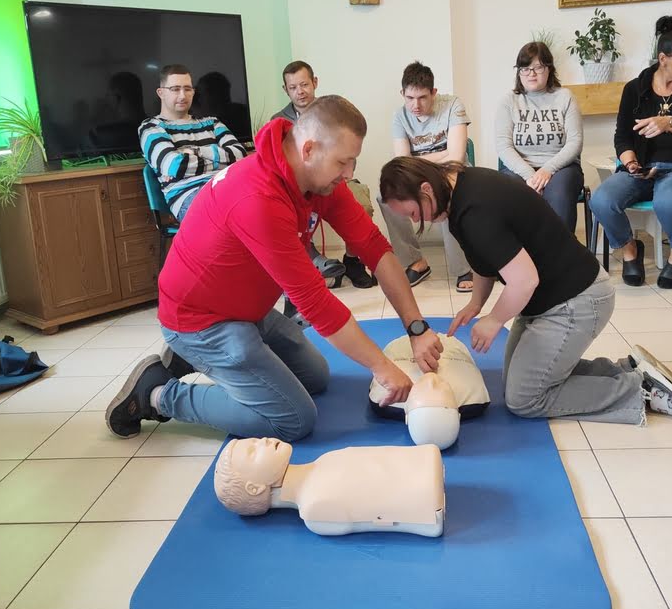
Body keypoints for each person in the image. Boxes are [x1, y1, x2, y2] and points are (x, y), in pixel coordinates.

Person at [106, 96, 444, 442]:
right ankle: (157, 394)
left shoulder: (317, 179)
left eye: (352, 161)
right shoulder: (258, 198)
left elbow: (373, 246)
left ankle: (197, 361)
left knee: (316, 378)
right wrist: (382, 368)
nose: (349, 174)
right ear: (309, 150)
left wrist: (416, 328)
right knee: (293, 419)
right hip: (200, 322)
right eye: (343, 162)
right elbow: (315, 304)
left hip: (247, 311)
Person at [379, 156, 672, 426]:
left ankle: (640, 391)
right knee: (517, 380)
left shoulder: (475, 211)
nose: (418, 222)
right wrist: (476, 304)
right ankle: (625, 370)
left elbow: (524, 280)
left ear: (425, 189)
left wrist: (494, 320)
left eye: (413, 213)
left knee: (524, 398)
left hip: (576, 301)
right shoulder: (458, 189)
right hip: (551, 299)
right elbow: (485, 259)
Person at [590, 17, 672, 290]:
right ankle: (630, 250)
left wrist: (669, 122)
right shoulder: (635, 89)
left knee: (667, 200)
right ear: (663, 58)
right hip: (643, 169)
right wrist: (630, 162)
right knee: (601, 200)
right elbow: (623, 136)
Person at [272, 60, 376, 289]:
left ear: (315, 82)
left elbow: (349, 154)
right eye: (293, 87)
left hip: (336, 180)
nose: (300, 91)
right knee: (290, 217)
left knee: (362, 206)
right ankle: (313, 264)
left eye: (304, 84)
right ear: (285, 90)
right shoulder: (278, 122)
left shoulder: (334, 112)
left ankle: (353, 261)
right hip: (297, 189)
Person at [214, 437, 445, 537]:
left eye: (254, 440)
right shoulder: (314, 508)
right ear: (254, 488)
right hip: (425, 496)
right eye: (253, 451)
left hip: (425, 467)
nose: (263, 441)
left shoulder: (324, 461)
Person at [378, 61, 473, 293]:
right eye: (410, 98)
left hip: (451, 171)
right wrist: (442, 154)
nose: (416, 105)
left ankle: (462, 268)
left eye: (422, 97)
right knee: (385, 197)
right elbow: (402, 163)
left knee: (447, 192)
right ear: (402, 94)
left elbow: (457, 157)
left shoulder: (453, 105)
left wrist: (417, 160)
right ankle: (416, 262)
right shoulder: (400, 116)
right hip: (418, 176)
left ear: (433, 92)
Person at [495, 41, 584, 233]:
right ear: (519, 72)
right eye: (525, 68)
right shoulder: (508, 101)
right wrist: (530, 175)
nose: (531, 74)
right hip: (519, 169)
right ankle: (524, 251)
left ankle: (561, 250)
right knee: (513, 193)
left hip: (561, 168)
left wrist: (547, 170)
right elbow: (503, 146)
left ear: (549, 69)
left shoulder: (565, 97)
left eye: (538, 67)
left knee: (559, 193)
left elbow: (575, 142)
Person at [139, 64, 246, 222]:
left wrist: (197, 152)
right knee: (239, 212)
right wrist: (222, 162)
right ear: (161, 93)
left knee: (263, 202)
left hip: (227, 189)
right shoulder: (151, 128)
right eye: (175, 89)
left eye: (187, 89)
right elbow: (175, 167)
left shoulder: (212, 123)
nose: (183, 96)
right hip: (190, 197)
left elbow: (240, 156)